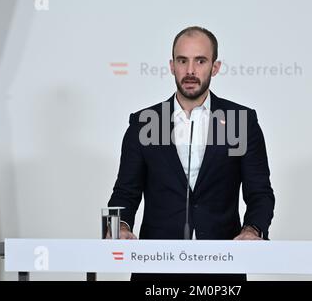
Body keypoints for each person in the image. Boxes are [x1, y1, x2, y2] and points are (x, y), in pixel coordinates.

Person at [108, 26, 275, 281]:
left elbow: (260, 193)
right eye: (182, 60)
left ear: (215, 67)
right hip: (156, 266)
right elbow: (124, 191)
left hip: (222, 267)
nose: (190, 71)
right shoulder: (144, 122)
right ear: (172, 65)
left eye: (200, 61)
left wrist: (252, 229)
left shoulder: (240, 121)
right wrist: (117, 226)